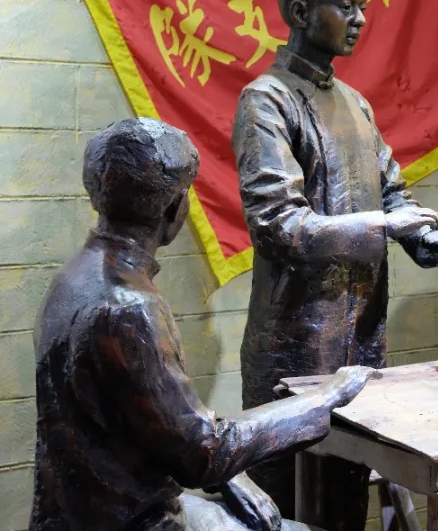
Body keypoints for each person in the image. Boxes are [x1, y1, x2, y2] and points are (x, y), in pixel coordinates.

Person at [31, 117, 377, 531]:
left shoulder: (74, 277)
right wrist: (324, 399)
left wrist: (228, 477)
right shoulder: (128, 308)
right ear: (175, 208)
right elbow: (203, 452)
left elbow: (160, 425)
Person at [231, 0, 438, 516]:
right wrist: (388, 224)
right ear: (300, 12)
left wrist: (421, 237)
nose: (360, 18)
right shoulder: (266, 100)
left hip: (360, 342)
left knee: (344, 502)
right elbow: (278, 226)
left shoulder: (356, 105)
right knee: (286, 505)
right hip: (295, 347)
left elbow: (392, 193)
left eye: (362, 6)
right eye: (345, 6)